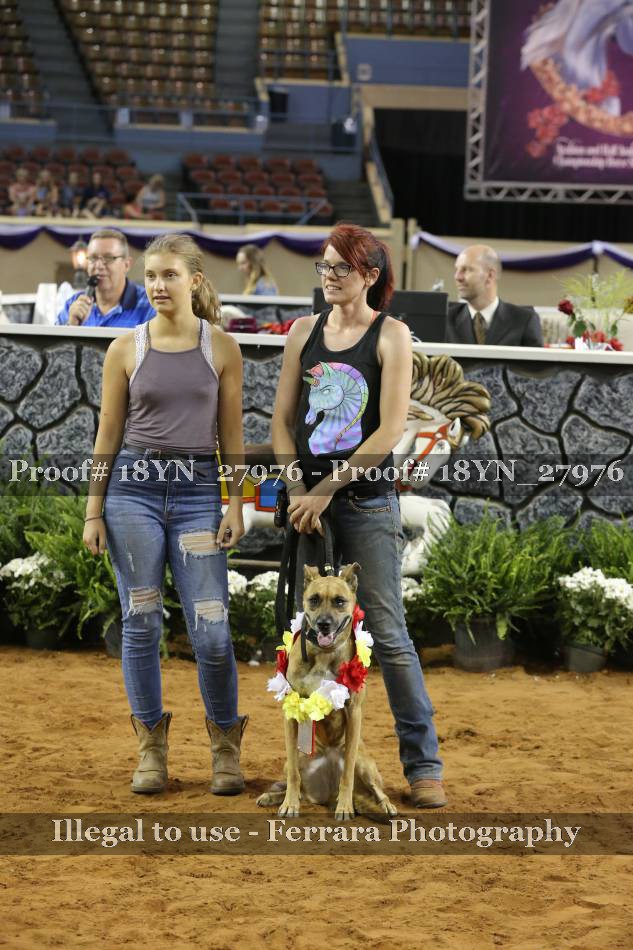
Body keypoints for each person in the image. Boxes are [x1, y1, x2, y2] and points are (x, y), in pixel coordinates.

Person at [271, 222, 446, 809]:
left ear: (369, 275)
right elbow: (281, 423)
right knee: (302, 638)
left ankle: (424, 766)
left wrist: (325, 489)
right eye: (323, 266)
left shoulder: (391, 336)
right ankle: (302, 768)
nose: (328, 277)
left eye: (340, 267)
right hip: (309, 505)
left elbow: (390, 430)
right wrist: (299, 488)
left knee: (390, 636)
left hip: (367, 504)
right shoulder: (303, 333)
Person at [83, 233, 247, 796]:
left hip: (199, 492)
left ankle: (225, 748)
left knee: (213, 631)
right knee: (142, 620)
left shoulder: (222, 348)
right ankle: (151, 749)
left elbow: (232, 435)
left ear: (194, 281)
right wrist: (93, 510)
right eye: (151, 276)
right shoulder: (124, 348)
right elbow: (108, 432)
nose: (158, 285)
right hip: (132, 491)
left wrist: (235, 502)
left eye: (169, 275)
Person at [56, 229, 155, 328]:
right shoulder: (73, 304)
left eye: (108, 258)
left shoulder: (149, 305)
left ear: (126, 265)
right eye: (93, 258)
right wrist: (71, 325)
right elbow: (53, 338)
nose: (99, 265)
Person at [448, 244, 543, 346]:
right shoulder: (446, 320)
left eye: (467, 269)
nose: (457, 277)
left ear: (490, 275)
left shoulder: (524, 321)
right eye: (457, 269)